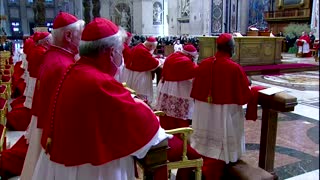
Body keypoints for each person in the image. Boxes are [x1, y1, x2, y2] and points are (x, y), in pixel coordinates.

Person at [32, 17, 171, 180]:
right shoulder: (98, 82)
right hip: (92, 171)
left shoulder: (75, 70)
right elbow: (149, 127)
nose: (121, 59)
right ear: (112, 53)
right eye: (120, 52)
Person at [20, 12, 85, 180]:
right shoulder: (63, 65)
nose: (83, 40)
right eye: (80, 35)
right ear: (69, 36)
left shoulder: (54, 56)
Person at [190, 33, 252, 179]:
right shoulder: (234, 68)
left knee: (205, 139)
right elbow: (244, 96)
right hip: (223, 112)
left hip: (203, 110)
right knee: (221, 138)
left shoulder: (203, 64)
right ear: (231, 49)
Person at [155, 44, 198, 130]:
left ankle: (167, 132)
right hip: (179, 91)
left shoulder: (172, 56)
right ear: (190, 55)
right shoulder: (186, 61)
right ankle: (180, 136)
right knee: (178, 116)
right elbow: (196, 73)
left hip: (166, 89)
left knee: (166, 113)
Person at [122, 36, 161, 105]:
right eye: (153, 47)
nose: (153, 49)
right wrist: (159, 61)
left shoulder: (139, 47)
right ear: (150, 45)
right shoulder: (142, 51)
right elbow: (154, 63)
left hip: (133, 73)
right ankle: (141, 105)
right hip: (140, 76)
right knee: (140, 93)